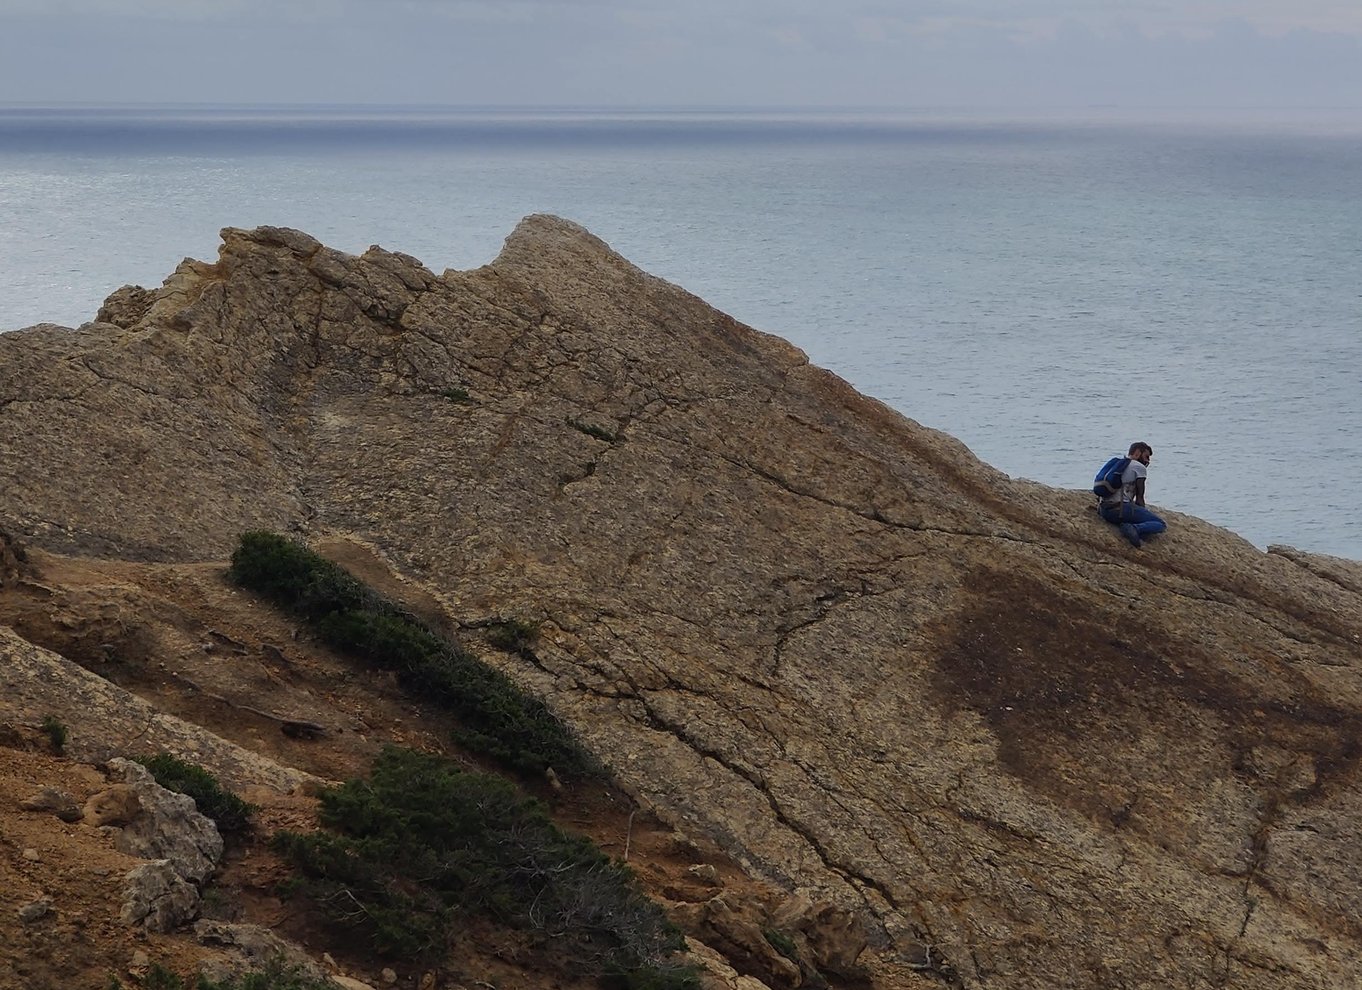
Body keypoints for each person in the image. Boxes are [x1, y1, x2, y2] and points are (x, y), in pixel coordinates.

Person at [1099, 442, 1167, 548]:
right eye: (1146, 457)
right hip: (1120, 510)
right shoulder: (1139, 467)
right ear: (1137, 453)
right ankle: (1134, 528)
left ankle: (1128, 524)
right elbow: (1140, 497)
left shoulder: (1117, 463)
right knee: (1160, 524)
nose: (1148, 461)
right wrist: (1142, 513)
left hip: (1104, 510)